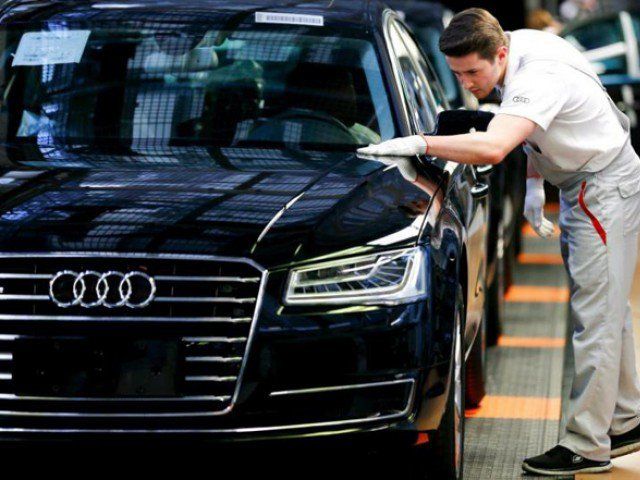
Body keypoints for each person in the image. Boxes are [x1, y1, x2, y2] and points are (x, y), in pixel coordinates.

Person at [358, 8, 640, 477]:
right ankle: (626, 420)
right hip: (588, 179)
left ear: (501, 54)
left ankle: (588, 444)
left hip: (601, 188)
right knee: (609, 311)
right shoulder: (521, 44)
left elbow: (493, 146)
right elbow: (535, 128)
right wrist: (534, 184)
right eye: (457, 74)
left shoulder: (538, 76)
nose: (467, 84)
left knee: (597, 319)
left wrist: (420, 143)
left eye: (473, 72)